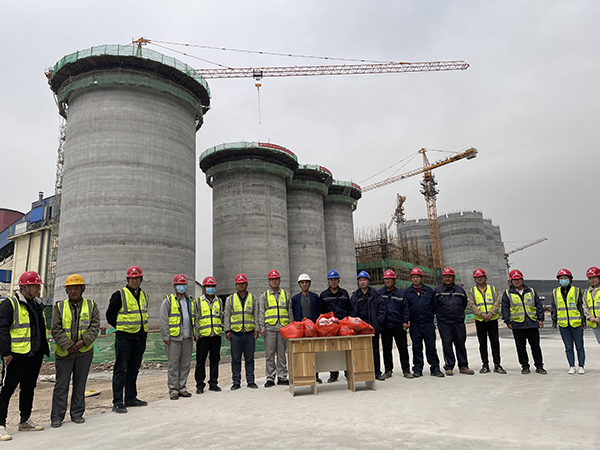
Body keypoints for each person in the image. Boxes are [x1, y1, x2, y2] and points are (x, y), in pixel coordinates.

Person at [0, 271, 49, 441]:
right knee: (6, 390)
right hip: (15, 356)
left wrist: (42, 350)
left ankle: (25, 421)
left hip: (34, 355)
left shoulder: (37, 304)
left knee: (28, 388)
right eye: (35, 286)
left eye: (38, 286)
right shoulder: (10, 304)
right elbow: (2, 330)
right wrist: (6, 353)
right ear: (24, 287)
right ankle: (0, 424)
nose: (38, 289)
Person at [50, 274, 100, 428]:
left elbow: (95, 326)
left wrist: (82, 342)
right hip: (64, 353)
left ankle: (77, 414)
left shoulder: (91, 306)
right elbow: (55, 328)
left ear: (82, 289)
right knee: (61, 386)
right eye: (70, 288)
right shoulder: (59, 307)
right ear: (66, 290)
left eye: (76, 288)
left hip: (84, 353)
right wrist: (68, 345)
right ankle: (57, 417)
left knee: (80, 384)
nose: (73, 291)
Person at [106, 265, 149, 413]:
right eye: (132, 278)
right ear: (127, 280)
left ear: (141, 279)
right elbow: (110, 316)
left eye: (137, 278)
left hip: (140, 337)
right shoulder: (119, 295)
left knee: (133, 369)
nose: (134, 281)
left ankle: (131, 398)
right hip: (124, 338)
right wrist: (121, 327)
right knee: (120, 369)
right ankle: (117, 401)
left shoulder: (144, 295)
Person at [501, 269, 546, 375]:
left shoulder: (531, 291)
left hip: (532, 323)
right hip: (517, 325)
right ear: (511, 281)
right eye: (514, 280)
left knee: (536, 347)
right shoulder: (508, 293)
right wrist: (508, 321)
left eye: (519, 279)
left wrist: (540, 319)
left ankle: (539, 366)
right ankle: (525, 366)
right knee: (521, 347)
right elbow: (505, 308)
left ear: (522, 279)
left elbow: (538, 305)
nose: (517, 281)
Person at [159, 274, 196, 401]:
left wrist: (196, 333)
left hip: (187, 337)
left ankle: (182, 388)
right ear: (174, 286)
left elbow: (195, 318)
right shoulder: (168, 301)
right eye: (179, 285)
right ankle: (173, 390)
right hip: (174, 338)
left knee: (185, 364)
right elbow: (163, 320)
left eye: (184, 285)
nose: (182, 287)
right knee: (173, 365)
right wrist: (165, 336)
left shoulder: (190, 301)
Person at [405, 267, 444, 378]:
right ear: (411, 278)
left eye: (417, 277)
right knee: (417, 348)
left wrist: (431, 317)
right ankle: (417, 369)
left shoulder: (429, 291)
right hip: (415, 324)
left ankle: (435, 368)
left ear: (421, 278)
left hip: (428, 323)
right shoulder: (407, 292)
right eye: (413, 277)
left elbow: (435, 306)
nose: (415, 279)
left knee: (431, 346)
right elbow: (405, 308)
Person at [434, 267, 474, 376]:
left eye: (449, 277)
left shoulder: (460, 290)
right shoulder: (437, 291)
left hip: (458, 322)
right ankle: (449, 366)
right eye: (445, 277)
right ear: (442, 278)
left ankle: (463, 366)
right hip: (444, 323)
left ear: (453, 278)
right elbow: (434, 305)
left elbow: (464, 304)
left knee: (460, 343)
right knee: (447, 344)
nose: (447, 279)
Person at [223, 273, 259, 390]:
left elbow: (256, 315)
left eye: (243, 283)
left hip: (249, 333)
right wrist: (227, 330)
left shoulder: (253, 298)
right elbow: (227, 315)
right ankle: (236, 381)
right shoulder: (230, 299)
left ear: (247, 284)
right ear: (236, 285)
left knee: (249, 358)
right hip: (235, 334)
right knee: (235, 359)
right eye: (239, 283)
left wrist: (256, 330)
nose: (241, 285)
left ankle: (251, 381)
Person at [467, 268, 506, 374]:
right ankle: (485, 365)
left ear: (485, 277)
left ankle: (497, 365)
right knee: (482, 343)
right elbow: (472, 305)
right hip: (480, 320)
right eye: (477, 277)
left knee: (495, 342)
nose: (479, 278)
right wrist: (482, 315)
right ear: (475, 279)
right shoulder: (472, 291)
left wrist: (490, 314)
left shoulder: (492, 289)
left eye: (481, 277)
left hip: (492, 319)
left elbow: (497, 302)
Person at [258, 270, 293, 388]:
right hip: (270, 328)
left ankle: (282, 376)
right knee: (270, 354)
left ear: (279, 280)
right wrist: (262, 327)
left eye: (276, 279)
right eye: (272, 279)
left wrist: (290, 327)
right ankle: (270, 377)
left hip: (283, 328)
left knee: (282, 354)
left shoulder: (286, 294)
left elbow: (289, 312)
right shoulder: (264, 296)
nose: (274, 281)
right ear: (269, 281)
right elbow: (261, 313)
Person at [350, 271, 386, 381]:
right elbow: (352, 312)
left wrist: (377, 323)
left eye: (364, 280)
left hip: (372, 328)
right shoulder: (355, 296)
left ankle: (377, 372)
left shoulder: (376, 295)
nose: (362, 282)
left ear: (368, 281)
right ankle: (362, 372)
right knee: (360, 351)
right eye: (360, 280)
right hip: (360, 329)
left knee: (375, 350)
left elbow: (382, 310)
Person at [377, 269, 412, 379]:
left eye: (390, 279)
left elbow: (405, 309)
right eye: (386, 279)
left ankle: (406, 370)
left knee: (403, 348)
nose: (387, 281)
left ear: (394, 280)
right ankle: (388, 370)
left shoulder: (401, 294)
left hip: (398, 325)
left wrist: (405, 321)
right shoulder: (379, 293)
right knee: (386, 350)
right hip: (385, 326)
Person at [319, 269, 351, 382]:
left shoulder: (344, 293)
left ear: (338, 280)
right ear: (328, 281)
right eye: (331, 280)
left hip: (343, 326)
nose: (333, 282)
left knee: (345, 349)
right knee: (332, 350)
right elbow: (321, 313)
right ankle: (333, 374)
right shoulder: (323, 295)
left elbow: (349, 309)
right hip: (330, 328)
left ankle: (348, 372)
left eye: (335, 279)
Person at [551, 269, 585, 374]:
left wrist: (583, 322)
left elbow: (581, 307)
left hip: (576, 323)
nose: (563, 280)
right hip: (563, 324)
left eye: (565, 278)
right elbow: (554, 308)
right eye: (561, 278)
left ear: (570, 279)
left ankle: (581, 365)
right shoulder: (555, 292)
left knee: (579, 346)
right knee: (568, 346)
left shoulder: (576, 290)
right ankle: (571, 366)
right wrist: (554, 321)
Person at [194, 276, 223, 393]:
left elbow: (220, 316)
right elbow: (195, 318)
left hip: (215, 335)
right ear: (204, 288)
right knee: (200, 362)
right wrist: (196, 333)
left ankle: (213, 383)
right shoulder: (198, 302)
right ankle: (200, 385)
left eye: (212, 286)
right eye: (208, 286)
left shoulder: (219, 301)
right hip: (203, 337)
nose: (210, 288)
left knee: (215, 360)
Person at [291, 273, 321, 383]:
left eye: (306, 282)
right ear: (299, 284)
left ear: (310, 284)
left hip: (313, 328)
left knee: (314, 352)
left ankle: (316, 375)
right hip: (301, 328)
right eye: (302, 283)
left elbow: (318, 311)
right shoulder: (295, 299)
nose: (304, 284)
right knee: (302, 351)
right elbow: (294, 313)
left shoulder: (315, 297)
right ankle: (303, 375)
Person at [583, 267, 600, 345]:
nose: (592, 280)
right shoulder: (587, 292)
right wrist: (590, 317)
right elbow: (585, 306)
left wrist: (599, 317)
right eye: (590, 278)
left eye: (594, 277)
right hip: (594, 322)